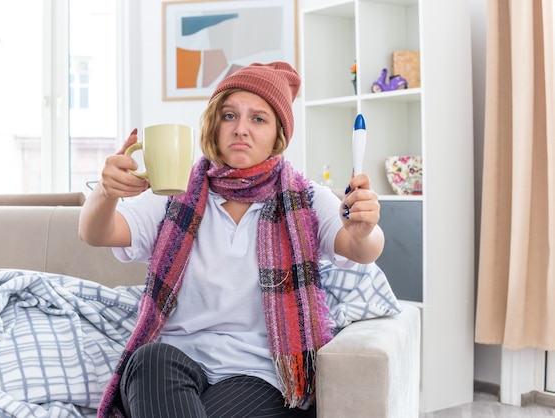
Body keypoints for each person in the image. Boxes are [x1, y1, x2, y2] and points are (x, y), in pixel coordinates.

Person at [79, 62, 385, 418]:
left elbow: (361, 249)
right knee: (148, 359)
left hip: (258, 375)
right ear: (214, 124)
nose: (241, 129)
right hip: (175, 361)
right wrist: (105, 191)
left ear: (278, 135)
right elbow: (96, 232)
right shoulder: (174, 192)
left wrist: (363, 229)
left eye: (258, 119)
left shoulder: (307, 199)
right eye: (229, 115)